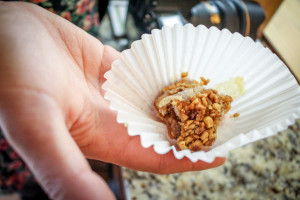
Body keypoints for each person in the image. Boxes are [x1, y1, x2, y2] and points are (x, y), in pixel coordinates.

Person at [0, 2, 225, 199]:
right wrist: (5, 17)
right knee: (24, 156)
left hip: (74, 32)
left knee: (61, 142)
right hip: (35, 50)